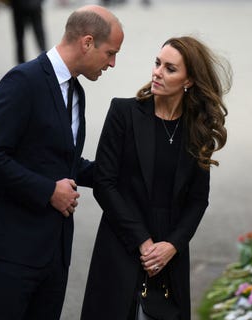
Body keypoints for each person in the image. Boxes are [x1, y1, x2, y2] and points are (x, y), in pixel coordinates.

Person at [0, 5, 124, 319]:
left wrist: (122, 172)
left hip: (53, 255)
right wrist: (47, 190)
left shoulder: (76, 91)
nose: (113, 63)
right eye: (110, 52)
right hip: (10, 252)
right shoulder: (23, 81)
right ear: (87, 42)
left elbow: (59, 162)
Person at [80, 36, 232, 319]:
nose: (157, 72)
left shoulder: (198, 131)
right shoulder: (123, 113)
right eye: (157, 63)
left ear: (189, 81)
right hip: (121, 239)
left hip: (169, 252)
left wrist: (173, 245)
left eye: (170, 68)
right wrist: (143, 241)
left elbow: (198, 200)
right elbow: (104, 183)